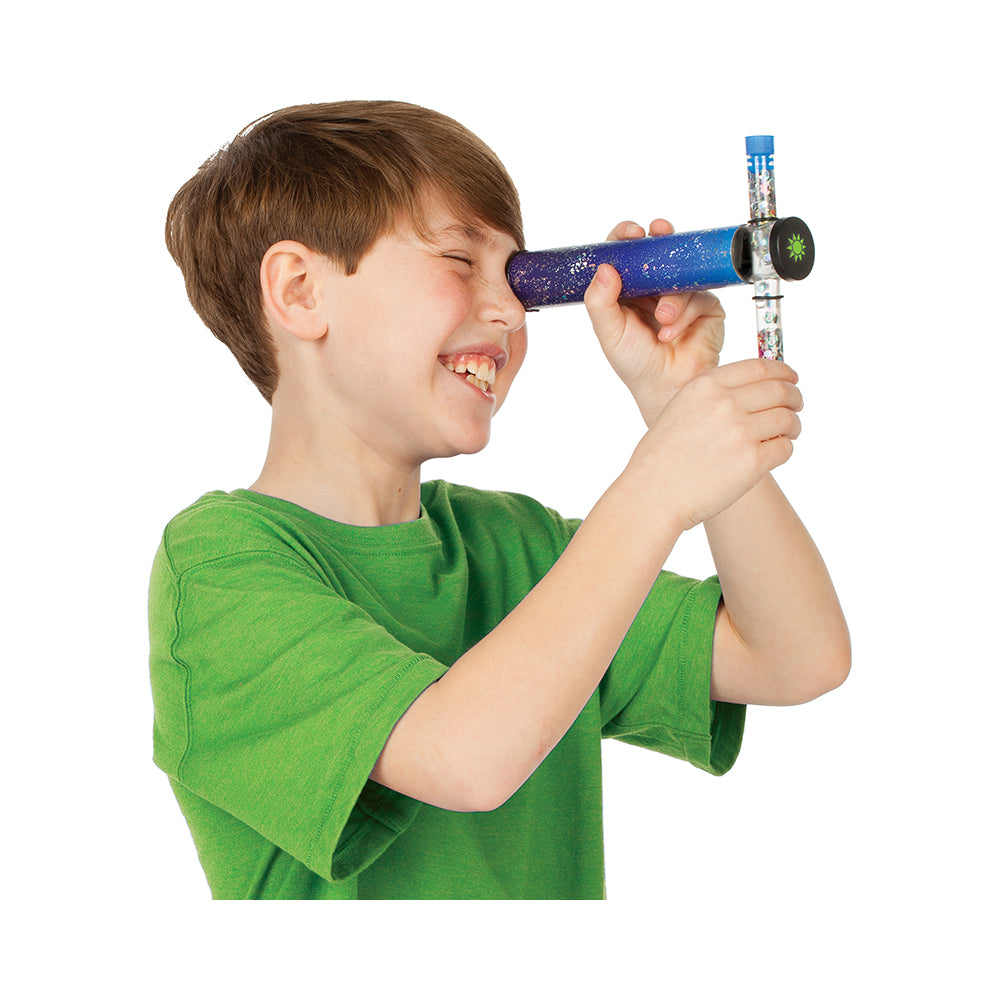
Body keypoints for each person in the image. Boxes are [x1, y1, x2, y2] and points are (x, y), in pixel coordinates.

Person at [149, 101, 850, 899]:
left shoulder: (515, 546)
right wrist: (655, 490)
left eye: (519, 277)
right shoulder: (216, 570)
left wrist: (677, 401)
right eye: (459, 260)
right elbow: (464, 758)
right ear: (301, 290)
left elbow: (797, 656)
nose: (512, 311)